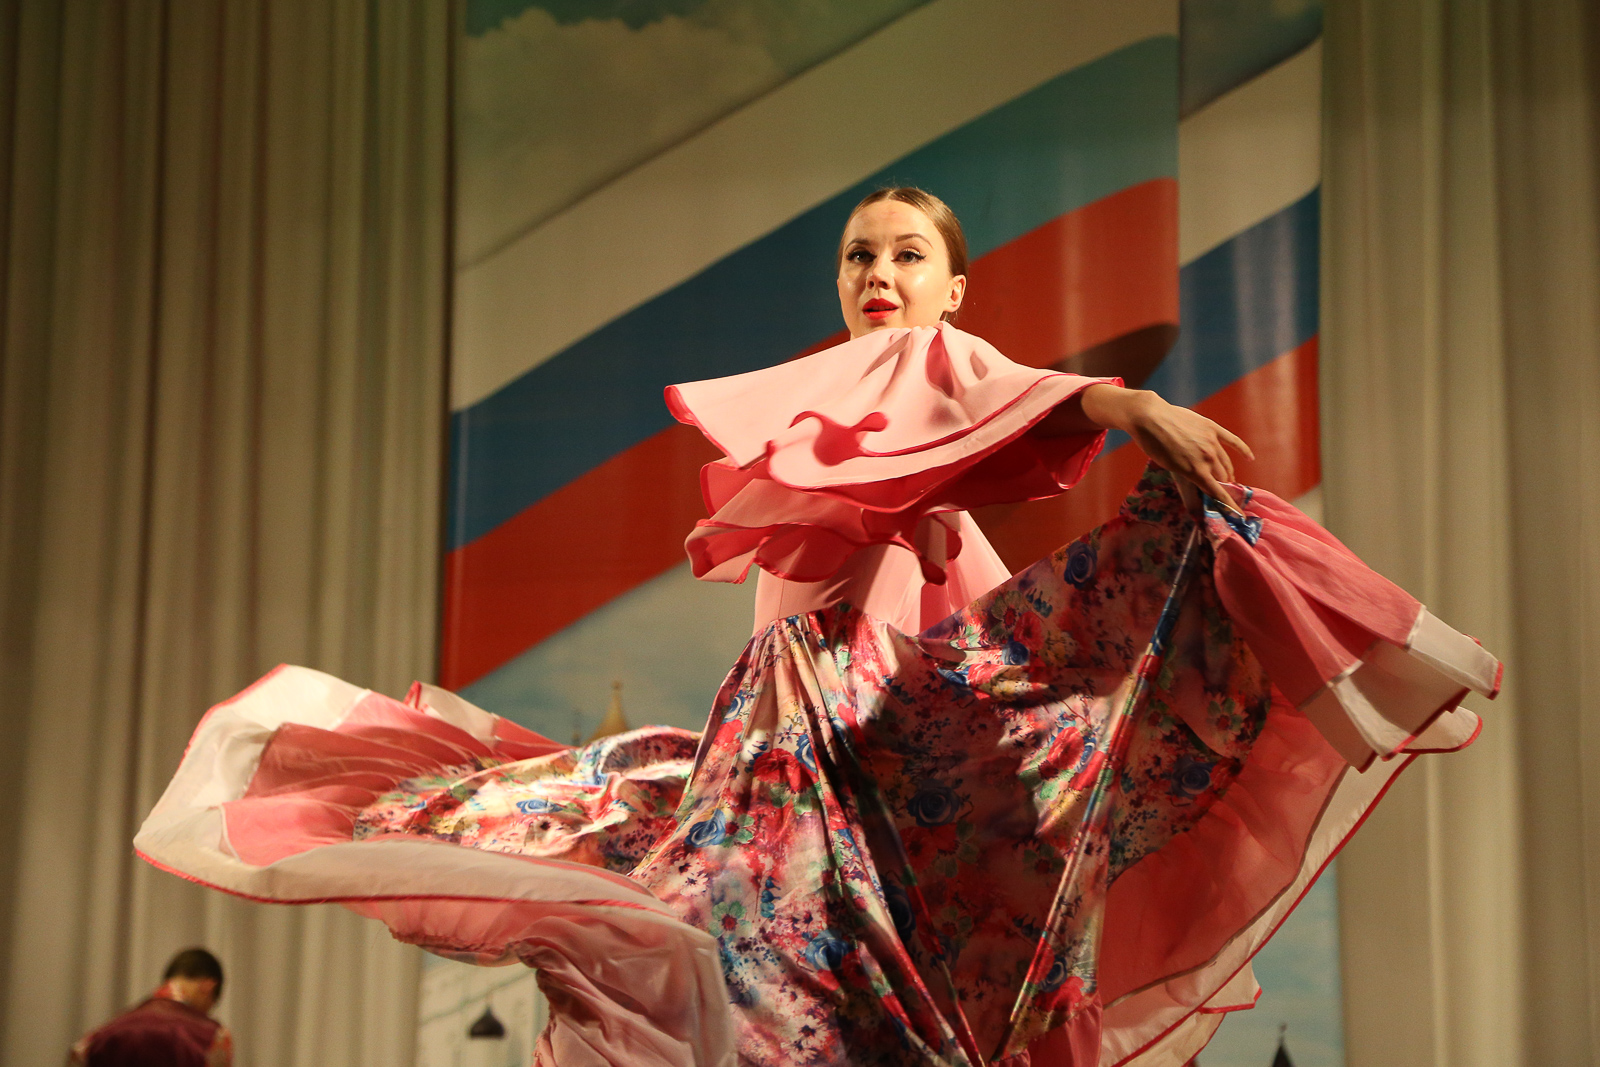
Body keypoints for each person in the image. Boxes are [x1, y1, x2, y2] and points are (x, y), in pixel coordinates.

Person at [135, 188, 1501, 1067]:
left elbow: (1002, 391)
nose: (879, 274)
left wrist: (1126, 404)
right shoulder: (834, 393)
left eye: (908, 254)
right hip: (784, 733)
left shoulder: (929, 367)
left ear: (953, 285)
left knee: (823, 958)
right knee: (721, 929)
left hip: (877, 725)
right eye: (859, 255)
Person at [69, 948, 233, 1067]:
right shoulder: (213, 1037)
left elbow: (77, 1057)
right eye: (208, 1007)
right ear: (207, 986)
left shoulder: (99, 1037)